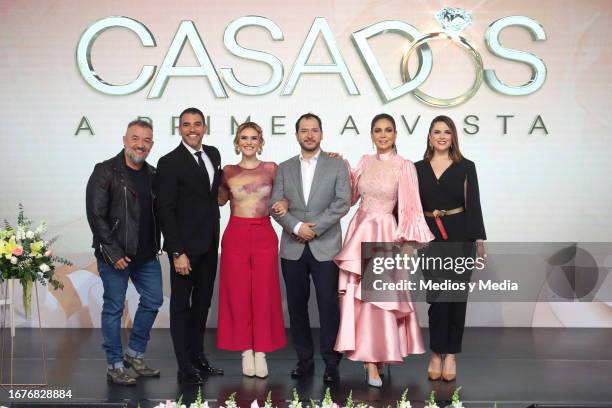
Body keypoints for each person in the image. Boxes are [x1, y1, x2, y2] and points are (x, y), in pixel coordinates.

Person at [334, 113, 434, 388]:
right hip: (361, 229)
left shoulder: (404, 166)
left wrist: (408, 243)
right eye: (377, 130)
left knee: (382, 299)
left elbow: (411, 207)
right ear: (371, 134)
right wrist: (338, 165)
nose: (382, 135)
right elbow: (351, 194)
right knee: (363, 300)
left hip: (386, 232)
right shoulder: (364, 162)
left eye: (388, 130)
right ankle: (369, 362)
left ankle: (379, 357)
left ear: (395, 135)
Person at [269, 113, 351, 384]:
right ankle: (304, 361)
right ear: (296, 135)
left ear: (321, 134)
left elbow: (342, 202)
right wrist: (296, 227)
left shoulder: (338, 165)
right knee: (296, 306)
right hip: (292, 248)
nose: (309, 135)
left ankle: (330, 362)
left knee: (329, 306)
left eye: (314, 130)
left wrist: (312, 228)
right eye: (304, 130)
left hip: (325, 246)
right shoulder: (284, 167)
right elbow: (275, 205)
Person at [85, 119, 163, 386]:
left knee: (153, 301)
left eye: (146, 140)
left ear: (151, 144)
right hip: (115, 256)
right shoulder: (106, 171)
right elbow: (96, 215)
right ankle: (115, 364)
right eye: (135, 138)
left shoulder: (154, 175)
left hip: (146, 255)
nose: (140, 145)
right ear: (124, 139)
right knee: (114, 309)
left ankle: (134, 355)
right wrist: (112, 251)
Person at [154, 107, 224, 385]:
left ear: (204, 127)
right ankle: (185, 366)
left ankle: (198, 357)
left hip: (209, 245)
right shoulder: (169, 161)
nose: (192, 129)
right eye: (186, 125)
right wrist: (176, 251)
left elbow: (212, 194)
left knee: (202, 304)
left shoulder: (214, 154)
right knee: (181, 307)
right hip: (184, 249)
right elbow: (165, 209)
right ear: (179, 128)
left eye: (197, 124)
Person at [414, 115, 486, 382]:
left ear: (453, 136)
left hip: (461, 238)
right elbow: (409, 207)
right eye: (436, 132)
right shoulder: (416, 168)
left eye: (447, 132)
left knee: (456, 298)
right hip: (429, 238)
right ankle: (436, 352)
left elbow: (474, 204)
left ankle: (451, 354)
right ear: (430, 137)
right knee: (437, 299)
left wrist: (478, 241)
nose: (442, 136)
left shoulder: (466, 166)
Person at [216, 122, 287, 378]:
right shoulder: (227, 171)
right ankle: (246, 351)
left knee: (264, 293)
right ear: (237, 142)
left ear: (261, 142)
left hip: (264, 235)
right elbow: (219, 199)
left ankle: (262, 353)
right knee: (238, 294)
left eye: (253, 138)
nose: (248, 142)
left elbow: (285, 196)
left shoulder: (271, 169)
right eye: (244, 137)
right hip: (235, 235)